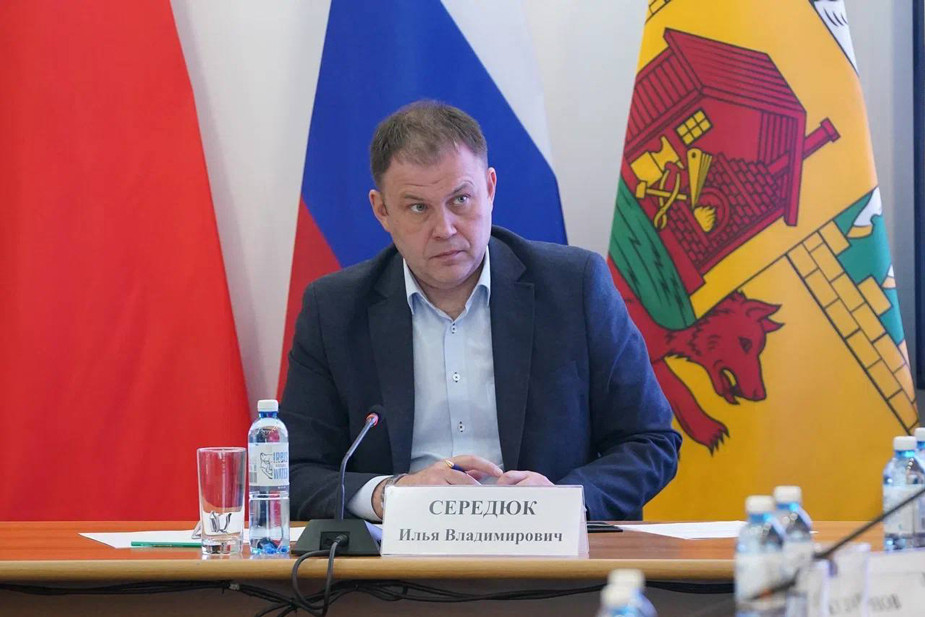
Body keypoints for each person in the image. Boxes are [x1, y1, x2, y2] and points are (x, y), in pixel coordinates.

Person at [280, 101, 680, 522]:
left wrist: (564, 501)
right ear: (382, 211)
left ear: (489, 189)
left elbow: (650, 442)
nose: (445, 229)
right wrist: (390, 494)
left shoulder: (574, 286)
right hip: (398, 555)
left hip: (547, 551)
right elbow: (295, 470)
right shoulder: (335, 309)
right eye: (418, 207)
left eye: (460, 199)